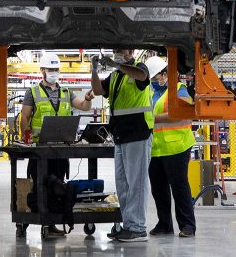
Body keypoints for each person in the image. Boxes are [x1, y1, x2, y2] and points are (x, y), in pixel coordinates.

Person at [18, 53, 94, 237]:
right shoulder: (33, 92)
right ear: (42, 71)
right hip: (40, 150)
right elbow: (25, 117)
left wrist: (89, 97)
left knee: (58, 186)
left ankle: (51, 224)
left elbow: (84, 106)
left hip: (60, 150)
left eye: (56, 69)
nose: (53, 72)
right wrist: (26, 137)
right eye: (50, 69)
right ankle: (41, 221)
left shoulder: (67, 92)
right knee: (39, 185)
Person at [91, 49, 153, 242]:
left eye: (122, 50)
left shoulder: (138, 68)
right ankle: (128, 224)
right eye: (116, 51)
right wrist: (94, 71)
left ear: (131, 52)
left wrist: (117, 65)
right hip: (120, 135)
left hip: (138, 133)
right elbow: (99, 90)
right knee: (123, 184)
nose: (118, 53)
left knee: (137, 182)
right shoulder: (115, 76)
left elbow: (142, 76)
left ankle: (137, 227)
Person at [146, 60, 197, 238]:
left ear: (166, 73)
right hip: (155, 148)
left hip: (177, 146)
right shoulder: (150, 91)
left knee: (179, 186)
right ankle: (164, 224)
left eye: (158, 75)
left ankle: (188, 225)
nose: (156, 79)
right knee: (158, 188)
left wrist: (152, 119)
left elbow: (181, 113)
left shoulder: (179, 89)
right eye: (152, 76)